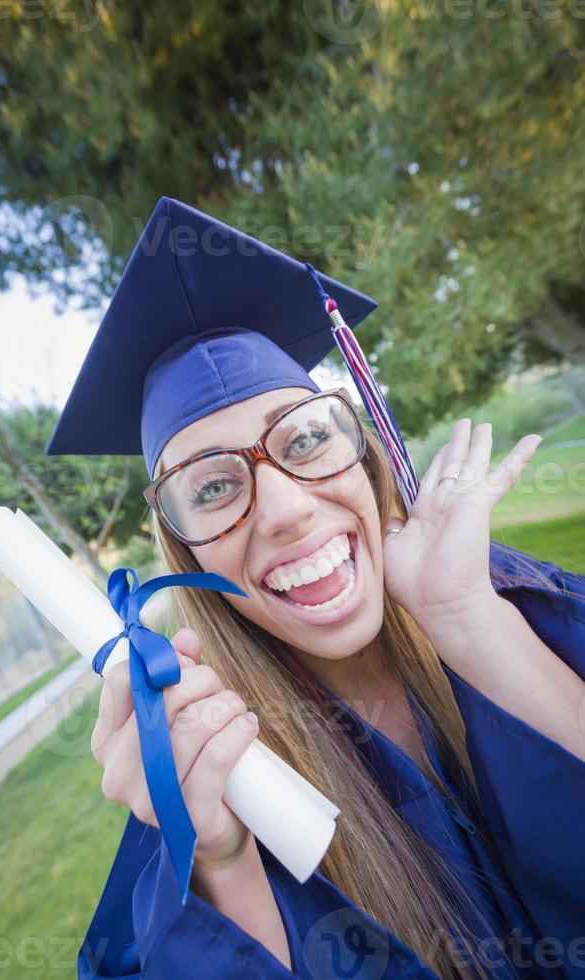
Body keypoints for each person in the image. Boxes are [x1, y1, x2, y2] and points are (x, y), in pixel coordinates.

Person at [46, 197, 585, 979]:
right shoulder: (211, 777)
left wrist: (468, 618)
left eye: (306, 439)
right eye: (214, 487)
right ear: (178, 542)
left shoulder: (512, 603)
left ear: (365, 455)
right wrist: (223, 862)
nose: (289, 510)